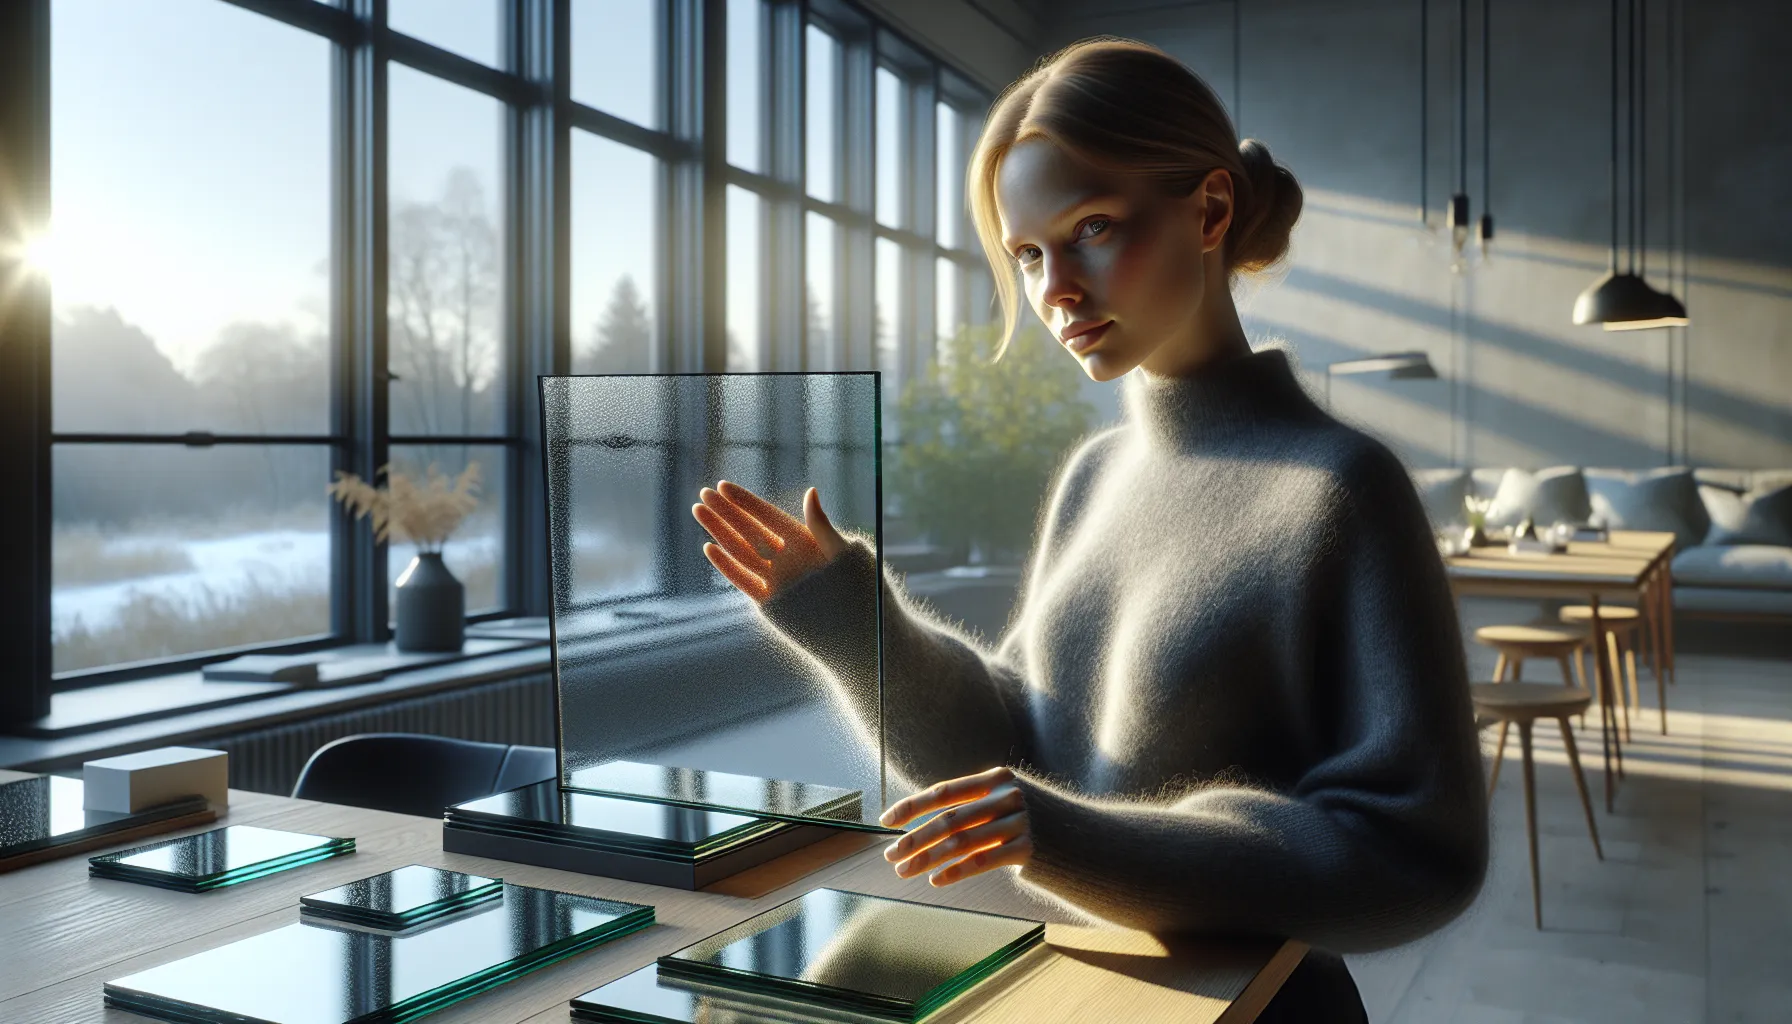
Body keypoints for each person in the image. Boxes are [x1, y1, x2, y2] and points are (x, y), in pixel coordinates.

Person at [691, 37, 1487, 1021]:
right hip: (1076, 976)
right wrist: (852, 621)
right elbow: (1019, 745)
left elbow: (1416, 851)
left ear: (1208, 210)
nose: (1054, 288)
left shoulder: (1341, 490)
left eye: (1093, 229)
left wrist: (1068, 837)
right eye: (1028, 253)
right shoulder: (1097, 475)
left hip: (1242, 1005)